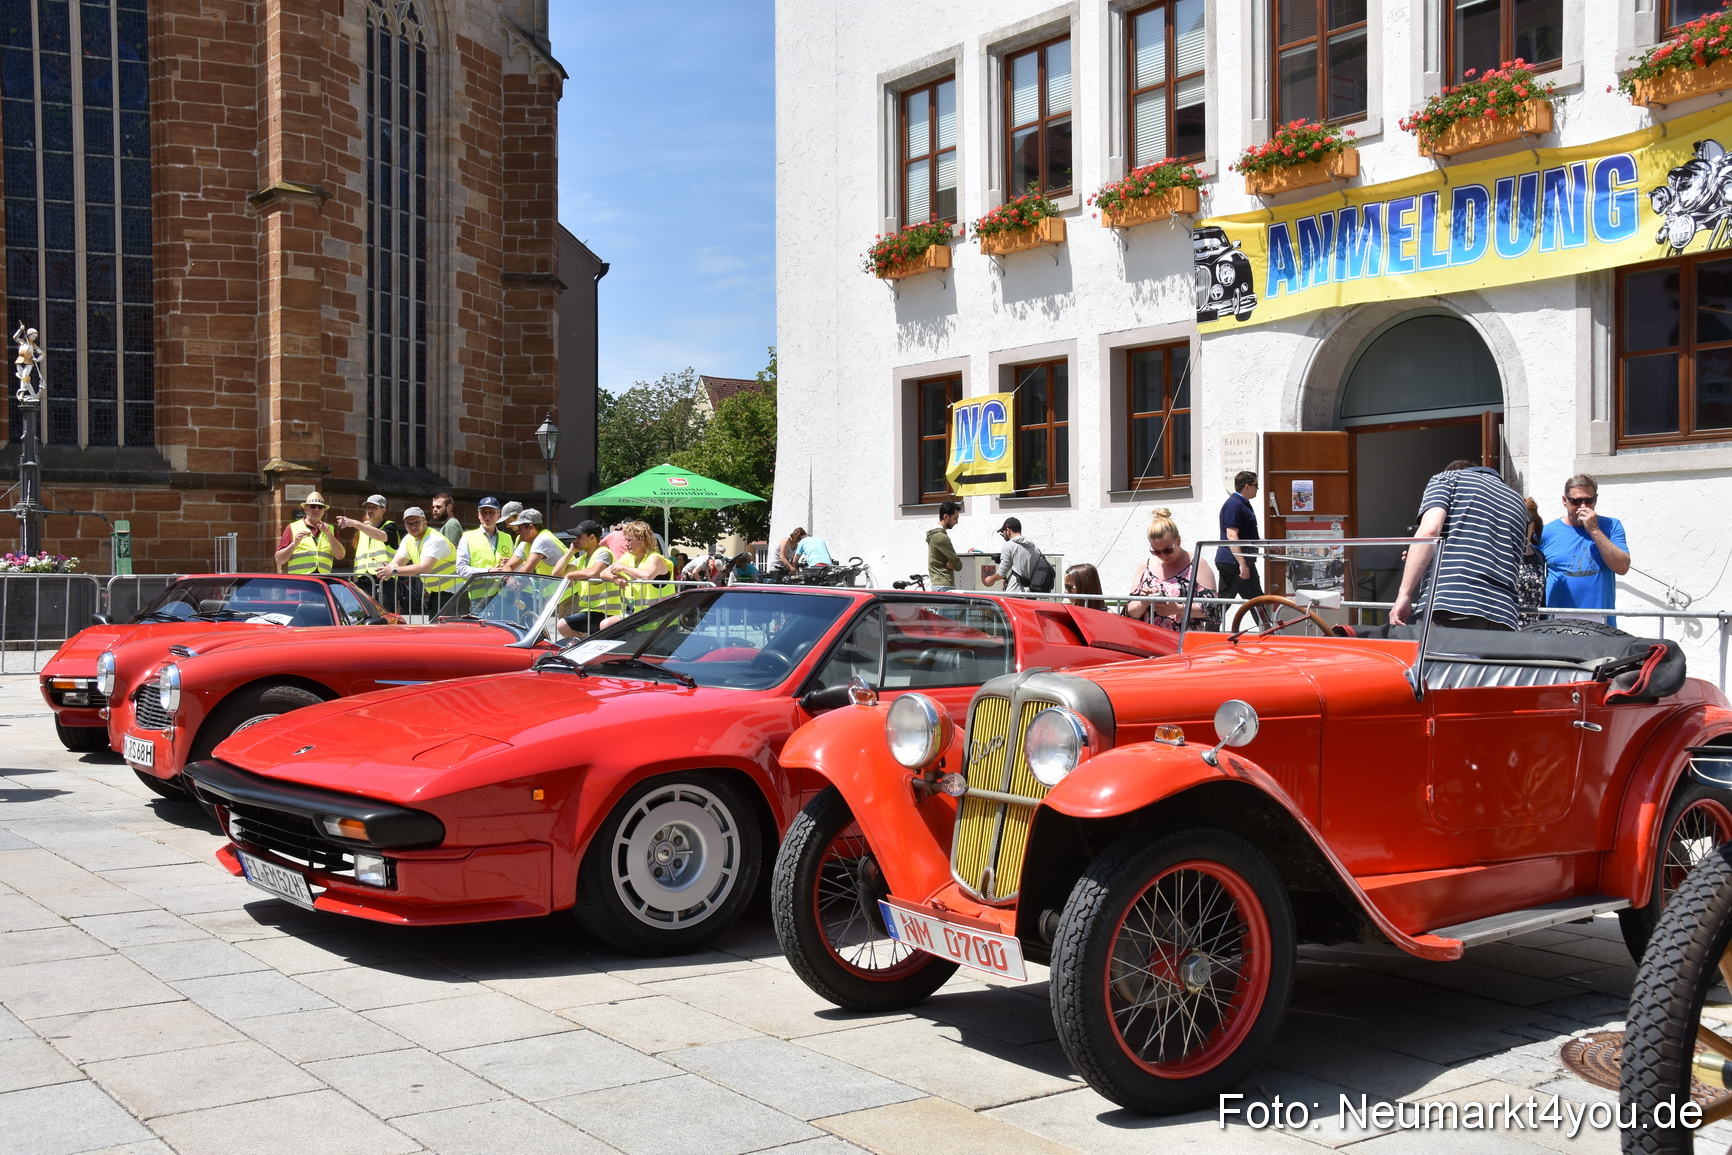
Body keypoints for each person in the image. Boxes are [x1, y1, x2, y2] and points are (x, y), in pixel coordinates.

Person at [1389, 459, 1528, 631]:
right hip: (1503, 614)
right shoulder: (1518, 501)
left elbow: (1430, 531)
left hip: (1451, 605)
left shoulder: (1448, 478)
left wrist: (1405, 593)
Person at [1540, 473, 1631, 627]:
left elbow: (1622, 567)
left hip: (1600, 624)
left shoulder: (1611, 526)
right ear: (1565, 501)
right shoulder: (1547, 532)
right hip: (1558, 625)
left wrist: (1594, 531)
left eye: (1589, 501)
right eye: (1576, 501)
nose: (1583, 507)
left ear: (1595, 499)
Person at [1124, 509, 1218, 631]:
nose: (1163, 555)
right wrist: (1144, 602)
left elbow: (1212, 608)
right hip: (1150, 641)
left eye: (1168, 550)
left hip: (1183, 642)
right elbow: (1130, 612)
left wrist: (1178, 609)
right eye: (1156, 551)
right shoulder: (1145, 566)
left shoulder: (1197, 564)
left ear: (1178, 540)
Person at [380, 506, 457, 615]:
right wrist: (388, 569)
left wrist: (394, 571)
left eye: (417, 523)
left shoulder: (434, 539)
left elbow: (424, 567)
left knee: (445, 629)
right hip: (437, 592)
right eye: (409, 524)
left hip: (454, 592)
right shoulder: (408, 539)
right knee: (436, 628)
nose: (413, 527)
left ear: (425, 523)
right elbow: (398, 561)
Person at [553, 519, 619, 637]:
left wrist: (571, 575)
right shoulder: (582, 559)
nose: (575, 540)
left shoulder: (603, 552)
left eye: (579, 537)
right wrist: (570, 552)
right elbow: (556, 573)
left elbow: (594, 572)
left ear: (592, 538)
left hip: (607, 612)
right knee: (564, 626)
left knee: (563, 624)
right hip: (590, 611)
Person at [606, 520, 674, 621]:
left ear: (642, 541)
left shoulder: (656, 559)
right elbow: (603, 573)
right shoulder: (628, 557)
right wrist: (615, 578)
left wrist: (623, 568)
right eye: (625, 540)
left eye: (630, 540)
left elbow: (647, 576)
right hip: (636, 615)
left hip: (659, 618)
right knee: (606, 624)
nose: (626, 544)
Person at [1216, 471, 1263, 604]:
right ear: (1247, 486)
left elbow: (1247, 535)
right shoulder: (1234, 505)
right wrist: (1242, 564)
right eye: (1256, 485)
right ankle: (1268, 625)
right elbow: (1232, 535)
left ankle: (1268, 625)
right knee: (1224, 603)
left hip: (1240, 561)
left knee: (1256, 601)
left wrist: (1268, 547)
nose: (1257, 489)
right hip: (1234, 563)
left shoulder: (1242, 503)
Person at [275, 492, 346, 575]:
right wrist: (295, 543)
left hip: (323, 580)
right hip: (300, 582)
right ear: (305, 509)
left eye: (320, 507)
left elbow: (340, 555)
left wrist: (329, 534)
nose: (316, 509)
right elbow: (279, 560)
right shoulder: (292, 527)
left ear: (323, 511)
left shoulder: (330, 529)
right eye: (312, 506)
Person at [982, 517, 1042, 593]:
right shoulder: (1034, 548)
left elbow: (1002, 572)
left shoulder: (1009, 545)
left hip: (1015, 594)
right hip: (1031, 593)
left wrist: (991, 579)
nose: (1003, 535)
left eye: (1003, 532)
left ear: (1007, 530)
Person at [456, 497, 511, 577]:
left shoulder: (507, 538)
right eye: (483, 512)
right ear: (478, 515)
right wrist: (487, 571)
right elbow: (461, 569)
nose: (487, 516)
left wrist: (510, 564)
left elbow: (517, 566)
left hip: (503, 589)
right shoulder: (467, 537)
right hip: (477, 589)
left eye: (491, 512)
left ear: (498, 515)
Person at [505, 509, 564, 575]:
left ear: (531, 528)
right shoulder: (526, 543)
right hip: (557, 584)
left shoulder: (542, 539)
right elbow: (507, 566)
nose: (517, 532)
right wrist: (509, 578)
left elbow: (526, 571)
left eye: (520, 528)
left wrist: (511, 580)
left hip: (570, 584)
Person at [1518, 496, 1547, 626]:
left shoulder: (1539, 556)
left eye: (1525, 522)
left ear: (1534, 525)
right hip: (1508, 631)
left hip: (1534, 630)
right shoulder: (1503, 554)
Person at [927, 501, 963, 591]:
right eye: (955, 518)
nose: (957, 522)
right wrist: (954, 563)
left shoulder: (933, 534)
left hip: (938, 583)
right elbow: (958, 564)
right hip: (944, 584)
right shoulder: (941, 537)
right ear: (946, 516)